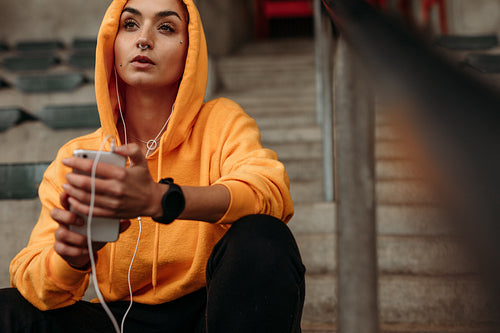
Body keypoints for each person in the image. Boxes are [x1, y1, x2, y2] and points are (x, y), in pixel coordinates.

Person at [0, 0, 305, 332]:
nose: (143, 39)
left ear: (190, 50)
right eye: (130, 25)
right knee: (8, 310)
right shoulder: (79, 155)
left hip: (211, 316)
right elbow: (31, 279)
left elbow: (269, 192)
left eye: (165, 27)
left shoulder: (221, 121)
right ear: (110, 43)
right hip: (120, 320)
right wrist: (71, 259)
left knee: (262, 237)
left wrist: (162, 199)